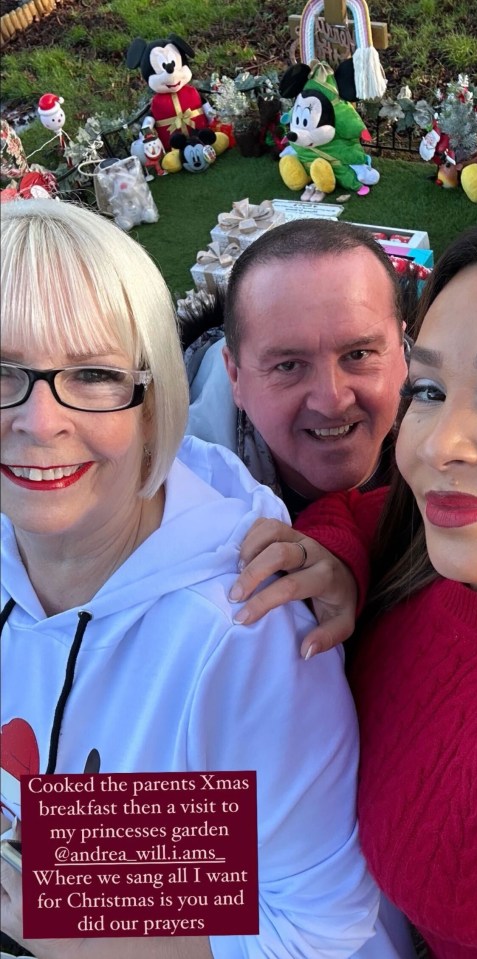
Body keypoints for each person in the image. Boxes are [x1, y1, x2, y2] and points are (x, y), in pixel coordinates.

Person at [1, 198, 390, 959]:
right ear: (233, 378)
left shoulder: (245, 623)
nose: (40, 420)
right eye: (0, 370)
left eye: (92, 373)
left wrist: (67, 910)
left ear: (152, 401)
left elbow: (316, 926)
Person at [228, 213, 477, 958]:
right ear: (232, 378)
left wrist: (76, 912)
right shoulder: (436, 540)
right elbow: (361, 509)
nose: (439, 443)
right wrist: (335, 553)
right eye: (433, 388)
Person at [184, 218, 410, 520]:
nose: (331, 402)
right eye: (288, 366)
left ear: (402, 355)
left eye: (358, 354)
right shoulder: (177, 497)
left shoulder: (473, 443)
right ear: (235, 376)